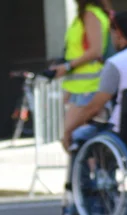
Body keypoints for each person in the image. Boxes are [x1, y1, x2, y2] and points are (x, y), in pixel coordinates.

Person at [61, 11, 127, 149]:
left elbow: (94, 107)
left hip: (123, 132)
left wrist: (69, 130)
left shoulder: (116, 63)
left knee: (79, 136)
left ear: (118, 33)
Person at [51, 1, 113, 135]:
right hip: (81, 89)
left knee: (71, 137)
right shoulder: (87, 14)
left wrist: (67, 66)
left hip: (88, 88)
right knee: (75, 138)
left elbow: (96, 51)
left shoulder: (90, 14)